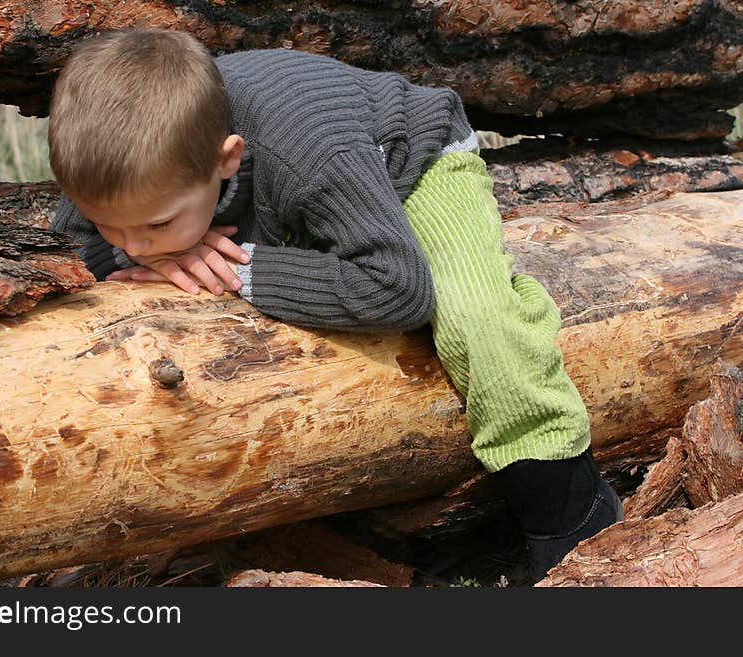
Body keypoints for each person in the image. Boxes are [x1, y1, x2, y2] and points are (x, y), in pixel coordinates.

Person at [48, 28, 623, 582]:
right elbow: (81, 236)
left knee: (478, 318)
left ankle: (571, 510)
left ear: (226, 159)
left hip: (411, 167)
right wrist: (162, 251)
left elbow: (396, 287)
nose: (137, 246)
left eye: (155, 225)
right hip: (297, 194)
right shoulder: (137, 170)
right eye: (112, 224)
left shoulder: (312, 149)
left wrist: (244, 270)